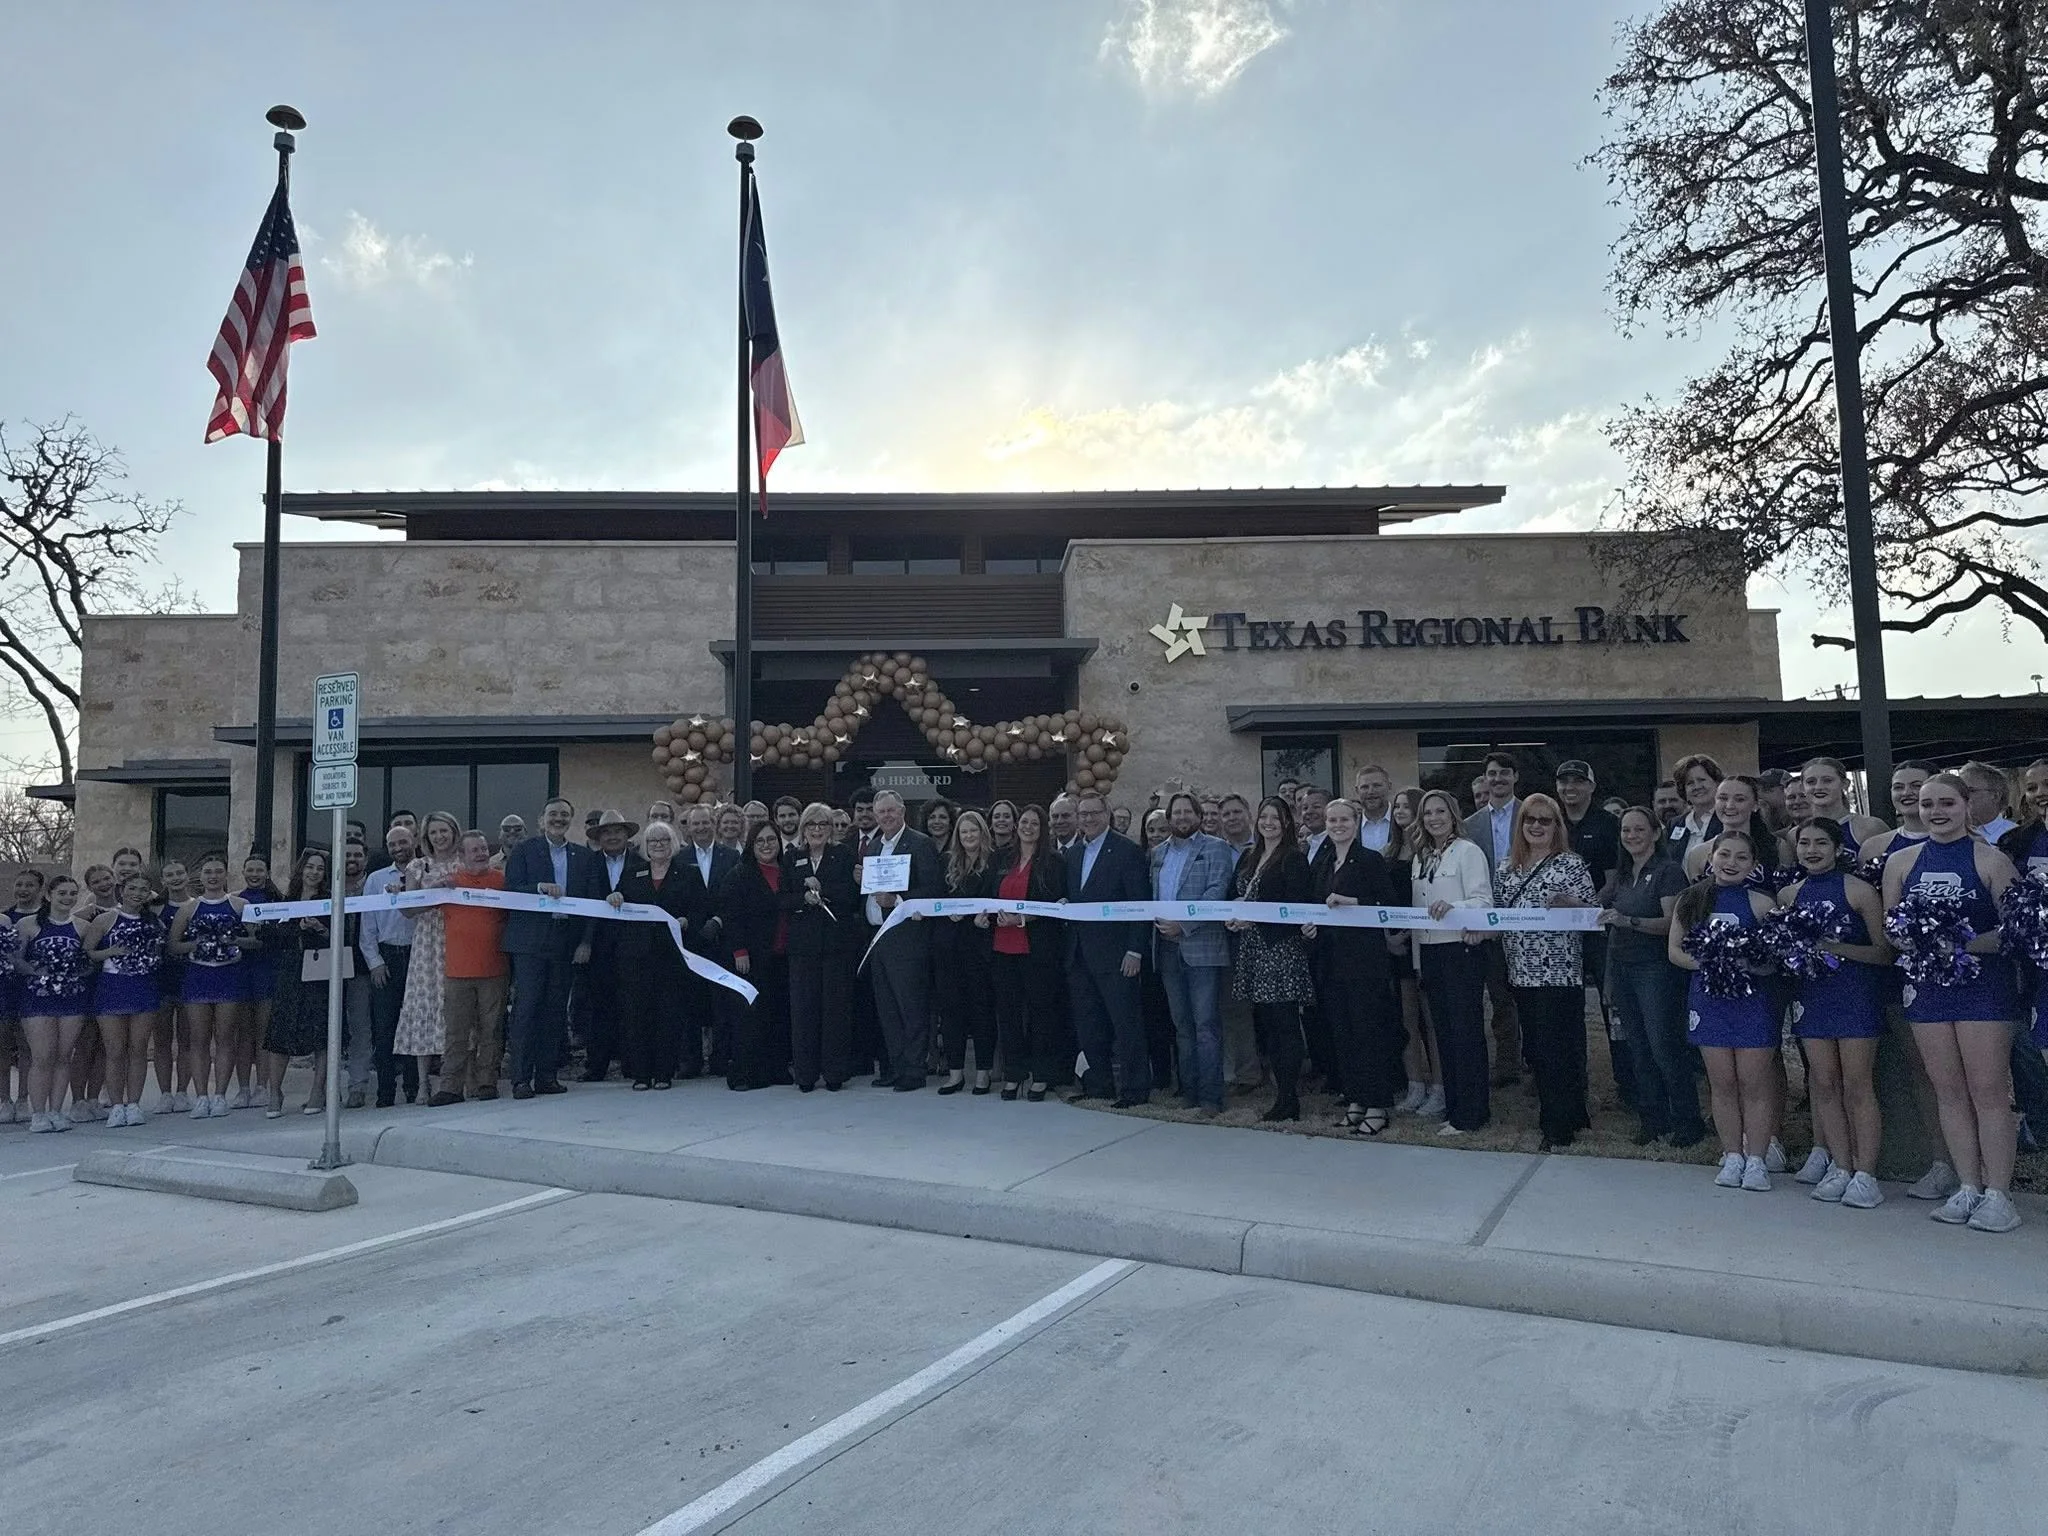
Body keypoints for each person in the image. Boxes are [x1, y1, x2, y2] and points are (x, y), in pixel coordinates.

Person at [1882, 772, 2023, 1232]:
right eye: (1927, 804)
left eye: (1946, 803)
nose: (1936, 812)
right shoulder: (1901, 862)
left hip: (1984, 990)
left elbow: (2016, 931)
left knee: (1988, 1091)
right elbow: (1892, 927)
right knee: (1948, 1091)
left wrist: (1958, 944)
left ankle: (1999, 1193)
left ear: (1966, 806)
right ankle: (1967, 1186)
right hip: (1928, 989)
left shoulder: (1992, 859)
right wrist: (1916, 942)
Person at [1781, 817, 1888, 1207]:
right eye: (1804, 843)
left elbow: (1884, 952)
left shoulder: (1859, 891)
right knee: (1824, 1085)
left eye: (1820, 843)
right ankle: (1840, 1165)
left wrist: (1835, 949)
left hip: (1855, 996)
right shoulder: (1789, 895)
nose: (1811, 850)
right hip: (1812, 998)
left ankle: (1866, 1174)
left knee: (1857, 1085)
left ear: (1837, 848)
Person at [1669, 831, 1782, 1189]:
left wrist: (1747, 965)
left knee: (1755, 1084)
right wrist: (1713, 964)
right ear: (1711, 858)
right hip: (1709, 1001)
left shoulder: (1763, 903)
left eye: (1741, 857)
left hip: (1752, 1003)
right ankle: (1732, 1155)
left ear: (1753, 865)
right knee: (1722, 1083)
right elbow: (1675, 952)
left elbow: (1775, 960)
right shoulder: (1691, 900)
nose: (1731, 863)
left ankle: (1757, 1160)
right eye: (1725, 855)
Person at [1494, 793, 1598, 1150]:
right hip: (1521, 972)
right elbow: (1495, 916)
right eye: (1530, 820)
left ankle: (1557, 1126)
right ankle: (1567, 1111)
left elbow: (1595, 915)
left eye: (1545, 820)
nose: (1536, 826)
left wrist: (1572, 904)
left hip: (1560, 972)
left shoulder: (1570, 864)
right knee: (1537, 1050)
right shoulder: (1506, 868)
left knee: (1560, 1048)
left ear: (1557, 826)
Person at [1600, 808, 1703, 1148]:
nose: (1631, 836)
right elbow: (1597, 909)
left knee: (1664, 1047)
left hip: (1656, 970)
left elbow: (1672, 922)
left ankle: (1687, 1122)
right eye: (1626, 830)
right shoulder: (1623, 874)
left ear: (1656, 833)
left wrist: (1629, 921)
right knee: (1638, 1048)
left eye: (1638, 829)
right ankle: (1653, 1120)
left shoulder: (1668, 871)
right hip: (1623, 967)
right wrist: (1564, 904)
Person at [1306, 798, 1403, 1134]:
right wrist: (1311, 924)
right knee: (1342, 1034)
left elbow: (1389, 904)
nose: (1337, 825)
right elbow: (1316, 906)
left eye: (1344, 819)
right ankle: (1356, 1100)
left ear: (1356, 821)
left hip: (1364, 962)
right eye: (1331, 820)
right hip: (1330, 961)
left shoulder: (1369, 860)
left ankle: (1377, 1104)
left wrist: (1354, 903)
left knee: (1368, 1032)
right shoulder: (1324, 862)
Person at [1146, 792, 1237, 1115]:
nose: (1182, 817)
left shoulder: (1216, 848)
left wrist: (1182, 925)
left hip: (1201, 949)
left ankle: (1211, 1097)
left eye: (1188, 811)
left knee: (1206, 1025)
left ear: (1199, 816)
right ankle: (1189, 1091)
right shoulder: (1157, 853)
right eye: (1176, 812)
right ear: (1168, 818)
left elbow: (1216, 892)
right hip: (1166, 949)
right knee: (1181, 1026)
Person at [502, 798, 599, 1099]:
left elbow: (592, 901)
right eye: (553, 814)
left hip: (565, 940)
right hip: (530, 942)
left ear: (570, 820)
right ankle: (520, 1078)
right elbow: (511, 891)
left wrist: (586, 941)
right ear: (541, 820)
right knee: (527, 1008)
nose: (558, 819)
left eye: (564, 815)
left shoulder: (583, 856)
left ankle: (547, 1076)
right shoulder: (524, 851)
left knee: (555, 1011)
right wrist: (539, 888)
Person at [1226, 796, 1315, 1121]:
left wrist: (1255, 920)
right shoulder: (1249, 856)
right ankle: (1280, 1094)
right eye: (1264, 817)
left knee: (1286, 1026)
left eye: (1275, 818)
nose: (1268, 823)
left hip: (1280, 951)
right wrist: (1233, 915)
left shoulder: (1293, 858)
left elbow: (1295, 905)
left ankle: (1289, 1098)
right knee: (1269, 1029)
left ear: (1287, 822)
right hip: (1252, 951)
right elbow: (1233, 896)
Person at [1410, 789, 1493, 1134]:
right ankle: (1454, 1106)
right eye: (1427, 813)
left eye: (1440, 811)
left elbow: (1484, 902)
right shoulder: (1421, 857)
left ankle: (1472, 1114)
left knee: (1465, 1032)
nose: (1433, 818)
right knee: (1443, 1033)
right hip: (1429, 953)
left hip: (1459, 951)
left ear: (1453, 814)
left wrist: (1456, 910)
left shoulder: (1468, 852)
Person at [1065, 791, 1152, 1106]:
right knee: (1090, 1025)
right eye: (1083, 813)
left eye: (1094, 813)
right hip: (1079, 954)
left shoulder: (1127, 851)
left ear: (1107, 813)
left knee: (1125, 1024)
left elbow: (1140, 903)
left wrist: (1135, 950)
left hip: (1117, 955)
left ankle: (1135, 1089)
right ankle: (1099, 1085)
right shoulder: (1073, 854)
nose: (1088, 819)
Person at [862, 790, 944, 1091]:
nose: (885, 816)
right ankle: (896, 1067)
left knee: (911, 1006)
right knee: (887, 1008)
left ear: (902, 812)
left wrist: (897, 898)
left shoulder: (920, 844)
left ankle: (914, 1069)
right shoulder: (872, 847)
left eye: (890, 811)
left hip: (907, 938)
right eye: (880, 812)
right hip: (878, 938)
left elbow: (933, 889)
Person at [608, 819, 694, 1090]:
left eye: (664, 840)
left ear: (673, 844)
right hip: (636, 957)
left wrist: (687, 920)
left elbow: (701, 907)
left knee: (668, 1015)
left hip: (671, 957)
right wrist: (615, 897)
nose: (658, 845)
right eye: (653, 841)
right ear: (645, 846)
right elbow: (617, 899)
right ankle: (641, 1074)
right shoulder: (633, 873)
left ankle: (664, 1072)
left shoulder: (687, 874)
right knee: (637, 1015)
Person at [168, 853, 255, 1120]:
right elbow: (173, 945)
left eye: (218, 871)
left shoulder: (240, 905)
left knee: (226, 1038)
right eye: (208, 872)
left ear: (226, 875)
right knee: (198, 1039)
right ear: (201, 876)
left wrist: (236, 944)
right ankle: (201, 1096)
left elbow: (255, 940)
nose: (213, 876)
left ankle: (220, 1095)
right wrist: (194, 946)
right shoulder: (189, 909)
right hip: (198, 978)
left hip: (229, 977)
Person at [259, 848, 345, 1118]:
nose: (314, 872)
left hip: (319, 971)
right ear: (301, 869)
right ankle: (275, 1091)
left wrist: (319, 929)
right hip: (289, 971)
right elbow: (273, 939)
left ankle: (318, 1091)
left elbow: (343, 939)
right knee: (280, 1031)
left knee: (321, 1032)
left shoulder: (330, 900)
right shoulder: (287, 901)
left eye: (320, 868)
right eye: (310, 866)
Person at [427, 831, 510, 1105]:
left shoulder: (501, 881)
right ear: (461, 856)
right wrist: (426, 889)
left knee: (491, 1031)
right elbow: (410, 908)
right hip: (457, 972)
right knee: (455, 1033)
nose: (481, 853)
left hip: (494, 970)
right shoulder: (449, 884)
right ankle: (451, 1087)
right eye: (474, 850)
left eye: (484, 848)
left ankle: (487, 1083)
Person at [991, 804, 1067, 1101]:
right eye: (1024, 822)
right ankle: (1014, 1074)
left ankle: (1041, 1074)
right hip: (1002, 947)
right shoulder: (1001, 858)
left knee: (1040, 1014)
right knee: (1008, 1015)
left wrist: (1024, 918)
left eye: (1034, 823)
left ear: (1042, 828)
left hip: (1037, 949)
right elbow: (987, 893)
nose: (1028, 827)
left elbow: (1056, 904)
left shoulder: (1054, 862)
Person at [782, 803, 859, 1092]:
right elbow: (783, 899)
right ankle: (805, 1073)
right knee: (804, 1010)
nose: (817, 830)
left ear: (831, 828)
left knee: (835, 1009)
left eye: (823, 824)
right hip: (803, 948)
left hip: (837, 945)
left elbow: (852, 895)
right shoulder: (792, 858)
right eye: (811, 824)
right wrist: (804, 898)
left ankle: (835, 1072)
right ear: (803, 829)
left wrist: (821, 888)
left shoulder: (844, 855)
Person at [1461, 751, 1523, 1086]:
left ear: (1515, 777)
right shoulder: (1470, 826)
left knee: (1529, 998)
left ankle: (1536, 1063)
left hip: (1526, 919)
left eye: (1503, 773)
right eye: (1491, 774)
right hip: (1487, 922)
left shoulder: (1533, 815)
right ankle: (1508, 1063)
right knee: (1499, 996)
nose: (1497, 779)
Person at [14, 874, 93, 1132]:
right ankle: (38, 1113)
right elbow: (15, 959)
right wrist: (36, 973)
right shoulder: (28, 924)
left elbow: (89, 960)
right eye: (62, 893)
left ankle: (57, 1110)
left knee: (63, 1056)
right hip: (37, 999)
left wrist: (78, 972)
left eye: (72, 893)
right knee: (42, 1057)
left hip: (72, 999)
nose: (67, 898)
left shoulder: (82, 927)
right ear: (49, 895)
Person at [82, 872, 161, 1128]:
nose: (137, 893)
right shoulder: (105, 919)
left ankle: (134, 1103)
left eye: (143, 889)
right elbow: (88, 952)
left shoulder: (154, 922)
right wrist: (110, 952)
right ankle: (116, 1105)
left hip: (143, 986)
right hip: (112, 988)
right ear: (122, 890)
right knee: (114, 1050)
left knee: (138, 1049)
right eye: (132, 888)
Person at [720, 821, 794, 1090]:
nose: (766, 845)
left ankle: (776, 1069)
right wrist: (739, 951)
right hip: (750, 958)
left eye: (771, 840)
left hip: (783, 955)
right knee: (749, 1018)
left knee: (777, 1015)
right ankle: (744, 1074)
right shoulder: (739, 875)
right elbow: (732, 916)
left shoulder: (788, 872)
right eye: (760, 841)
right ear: (752, 844)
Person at [392, 811, 463, 1091]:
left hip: (457, 939)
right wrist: (435, 897)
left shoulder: (464, 864)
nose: (439, 837)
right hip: (426, 944)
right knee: (424, 1005)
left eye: (444, 831)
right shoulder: (416, 867)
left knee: (455, 1006)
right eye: (433, 832)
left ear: (454, 832)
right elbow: (407, 909)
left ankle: (454, 1077)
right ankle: (423, 1083)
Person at [933, 809, 997, 1094]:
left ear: (982, 832)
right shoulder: (946, 861)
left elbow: (999, 899)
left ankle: (983, 1072)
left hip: (981, 947)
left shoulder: (995, 862)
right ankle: (956, 1072)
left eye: (973, 831)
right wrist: (948, 914)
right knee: (951, 1012)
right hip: (950, 947)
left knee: (981, 1010)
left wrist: (986, 918)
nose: (969, 836)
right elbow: (936, 899)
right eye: (964, 832)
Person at [578, 810, 644, 1083]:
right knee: (599, 1007)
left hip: (633, 945)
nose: (613, 836)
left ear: (627, 835)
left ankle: (632, 1064)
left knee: (632, 1004)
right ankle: (597, 1066)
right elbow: (580, 906)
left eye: (618, 831)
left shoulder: (643, 864)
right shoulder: (586, 865)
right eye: (607, 832)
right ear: (599, 837)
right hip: (597, 946)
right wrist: (584, 942)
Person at [1386, 787, 1440, 1115]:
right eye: (1397, 806)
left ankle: (1439, 1087)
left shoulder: (1429, 851)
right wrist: (1390, 936)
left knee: (1430, 1020)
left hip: (1428, 940)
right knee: (1406, 1019)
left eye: (1407, 806)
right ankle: (1414, 1084)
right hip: (1397, 945)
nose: (1400, 810)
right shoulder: (1388, 851)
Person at [360, 822, 421, 1107]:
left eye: (403, 842)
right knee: (384, 1029)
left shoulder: (425, 872)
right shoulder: (375, 880)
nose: (398, 848)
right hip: (386, 957)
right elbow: (367, 925)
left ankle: (413, 1088)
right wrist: (375, 962)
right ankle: (386, 1091)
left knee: (414, 1025)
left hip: (419, 955)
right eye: (393, 844)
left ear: (415, 841)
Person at [680, 804, 742, 1079]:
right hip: (690, 940)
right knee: (690, 1002)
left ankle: (720, 1059)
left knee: (722, 1002)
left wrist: (718, 920)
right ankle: (691, 1061)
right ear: (689, 828)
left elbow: (736, 896)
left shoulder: (731, 856)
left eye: (706, 823)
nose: (702, 828)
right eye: (696, 824)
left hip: (721, 937)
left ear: (714, 824)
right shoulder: (679, 858)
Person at [233, 853, 282, 1109]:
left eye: (259, 870)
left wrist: (242, 941)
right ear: (243, 871)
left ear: (267, 872)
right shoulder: (236, 901)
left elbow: (273, 938)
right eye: (250, 870)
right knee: (244, 1034)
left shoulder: (278, 901)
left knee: (264, 1033)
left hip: (267, 971)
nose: (254, 874)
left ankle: (263, 1086)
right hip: (241, 973)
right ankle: (243, 1088)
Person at [149, 858, 192, 1113]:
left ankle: (183, 1091)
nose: (175, 878)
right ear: (163, 881)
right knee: (162, 1039)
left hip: (189, 977)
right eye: (170, 875)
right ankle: (165, 1093)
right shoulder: (154, 909)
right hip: (161, 978)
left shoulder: (196, 906)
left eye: (179, 873)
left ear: (187, 876)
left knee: (187, 1039)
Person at [1681, 777, 1784, 879]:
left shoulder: (1778, 846)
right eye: (1723, 798)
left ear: (1755, 805)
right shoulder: (1698, 853)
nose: (1729, 805)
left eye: (1740, 799)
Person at [1801, 756, 1889, 856]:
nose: (1819, 787)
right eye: (1811, 782)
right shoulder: (1796, 834)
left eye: (1827, 780)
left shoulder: (1870, 827)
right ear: (1802, 787)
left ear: (1845, 784)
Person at [1666, 754, 1724, 859]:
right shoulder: (1675, 824)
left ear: (1717, 783)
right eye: (1690, 783)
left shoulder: (1727, 819)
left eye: (1702, 780)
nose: (1697, 787)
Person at [1959, 760, 2018, 842]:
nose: (1962, 796)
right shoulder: (1947, 833)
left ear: (1995, 796)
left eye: (1971, 790)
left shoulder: (2017, 835)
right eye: (1959, 791)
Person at [1351, 766, 1395, 851]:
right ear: (1357, 790)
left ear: (1389, 786)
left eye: (1377, 785)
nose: (1371, 791)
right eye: (1365, 787)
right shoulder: (1350, 826)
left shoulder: (1402, 822)